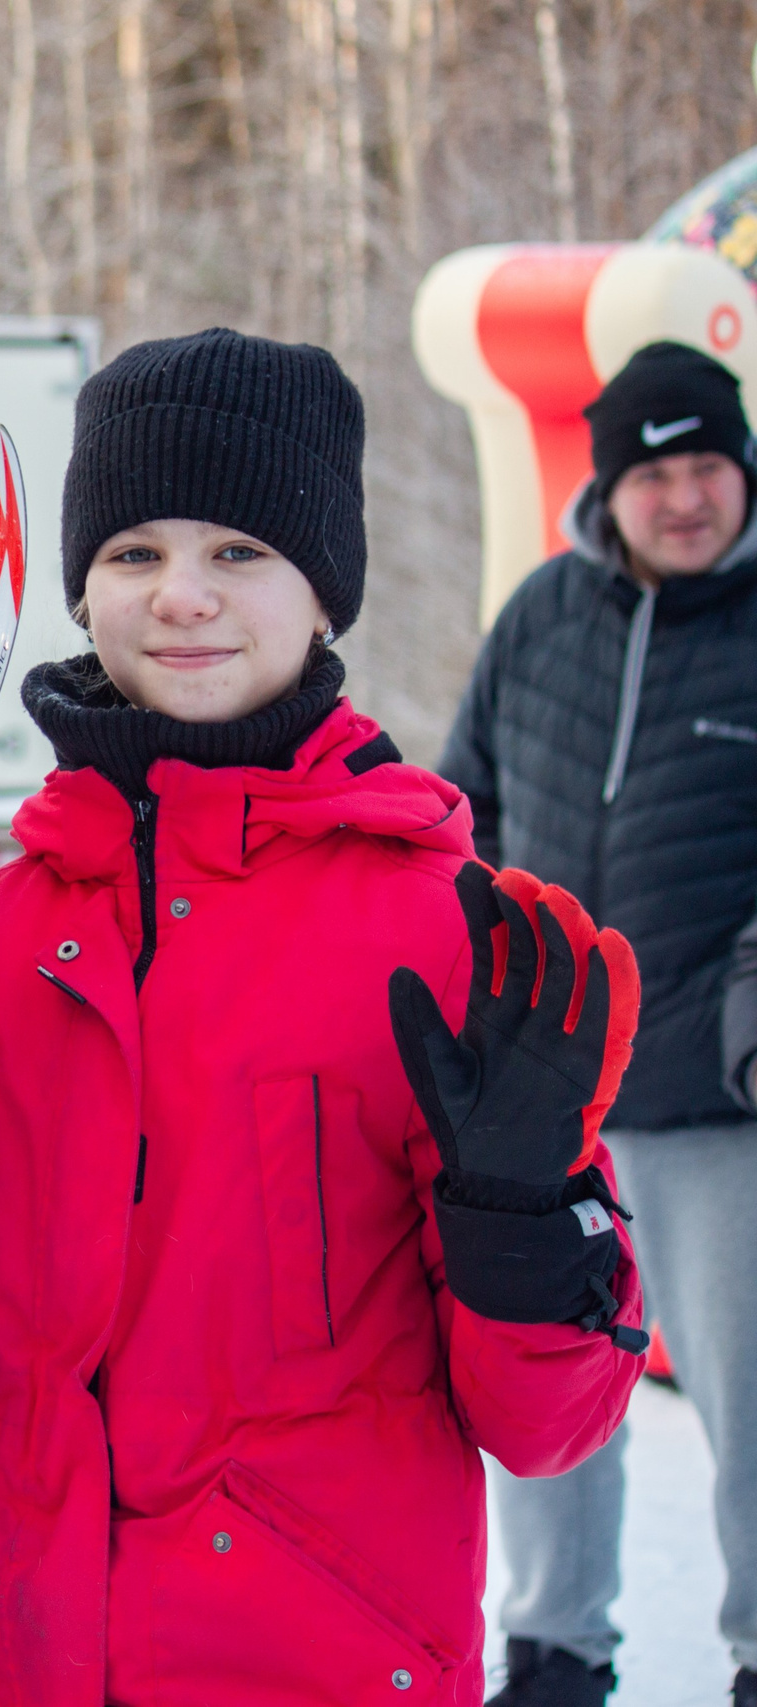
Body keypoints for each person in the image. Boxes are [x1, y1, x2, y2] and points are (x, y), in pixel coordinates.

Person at [0, 329, 647, 1706]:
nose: (182, 596)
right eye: (134, 553)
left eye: (239, 552)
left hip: (299, 1656)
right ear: (81, 584)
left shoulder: (434, 929)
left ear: (326, 595)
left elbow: (552, 1423)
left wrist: (528, 1221)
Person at [443, 339, 757, 1707]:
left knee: (747, 1402)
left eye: (709, 468)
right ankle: (556, 1643)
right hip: (555, 1087)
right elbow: (471, 813)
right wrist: (477, 989)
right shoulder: (542, 618)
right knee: (553, 1379)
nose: (685, 498)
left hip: (719, 1093)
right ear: (611, 486)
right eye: (657, 473)